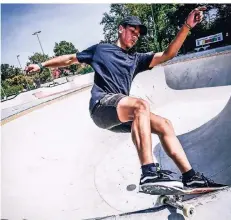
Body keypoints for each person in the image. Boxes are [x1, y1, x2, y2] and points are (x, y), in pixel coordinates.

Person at [26, 6, 227, 192]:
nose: (135, 37)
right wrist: (42, 65)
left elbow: (168, 54)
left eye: (138, 35)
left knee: (164, 124)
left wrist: (187, 26)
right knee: (141, 105)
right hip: (101, 106)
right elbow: (70, 58)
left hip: (122, 114)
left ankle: (190, 176)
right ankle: (149, 173)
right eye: (133, 31)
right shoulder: (101, 50)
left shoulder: (136, 59)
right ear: (121, 29)